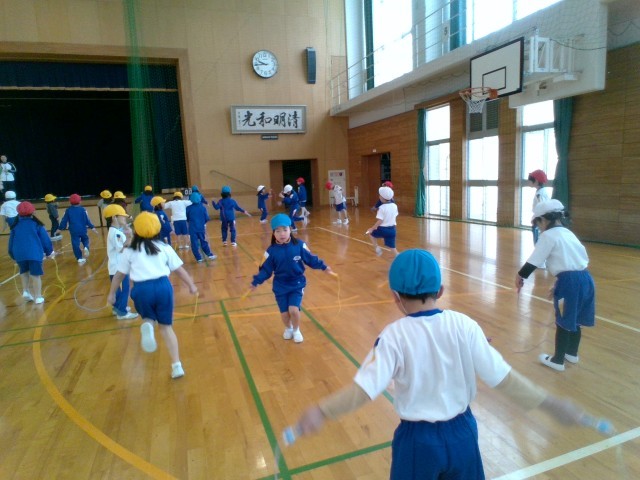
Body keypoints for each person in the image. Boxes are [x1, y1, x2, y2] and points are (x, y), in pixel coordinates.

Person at [292, 249, 598, 479]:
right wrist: (551, 405)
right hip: (464, 435)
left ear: (395, 297)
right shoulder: (465, 325)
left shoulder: (392, 336)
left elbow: (364, 390)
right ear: (440, 291)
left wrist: (321, 411)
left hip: (418, 443)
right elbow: (505, 379)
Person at [107, 212, 198, 379]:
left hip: (141, 289)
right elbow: (179, 270)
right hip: (163, 287)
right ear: (157, 229)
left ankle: (148, 324)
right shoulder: (165, 248)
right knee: (166, 327)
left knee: (148, 317)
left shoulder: (130, 251)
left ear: (136, 230)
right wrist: (191, 285)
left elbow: (119, 275)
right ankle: (177, 365)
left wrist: (112, 293)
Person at [515, 199, 595, 372]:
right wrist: (559, 283)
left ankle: (558, 360)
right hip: (586, 279)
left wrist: (520, 276)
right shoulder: (568, 233)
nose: (538, 227)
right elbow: (572, 263)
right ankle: (572, 354)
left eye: (538, 223)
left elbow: (535, 261)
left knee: (564, 321)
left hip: (569, 282)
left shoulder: (548, 236)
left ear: (544, 220)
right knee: (576, 319)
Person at [250, 214, 332, 343]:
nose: (282, 234)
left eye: (285, 230)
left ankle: (296, 330)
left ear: (290, 229)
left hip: (297, 283)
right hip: (280, 285)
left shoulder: (299, 245)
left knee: (293, 310)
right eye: (278, 231)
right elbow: (265, 270)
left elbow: (311, 259)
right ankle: (288, 328)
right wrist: (256, 281)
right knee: (284, 313)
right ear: (273, 233)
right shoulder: (270, 251)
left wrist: (323, 266)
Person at [9, 201, 54, 305]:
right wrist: (49, 252)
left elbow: (11, 243)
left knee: (24, 272)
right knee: (35, 275)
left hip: (19, 254)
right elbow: (45, 240)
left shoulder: (15, 225)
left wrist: (12, 255)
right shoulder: (37, 224)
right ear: (33, 211)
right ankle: (38, 297)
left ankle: (26, 291)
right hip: (34, 254)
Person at [103, 204, 138, 320]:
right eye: (122, 216)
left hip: (115, 267)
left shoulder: (115, 231)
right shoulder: (115, 233)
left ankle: (117, 308)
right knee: (125, 289)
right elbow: (121, 248)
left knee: (118, 290)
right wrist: (129, 238)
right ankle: (122, 312)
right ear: (114, 217)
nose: (124, 218)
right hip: (119, 268)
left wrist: (126, 229)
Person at [59, 194, 98, 265]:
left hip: (73, 230)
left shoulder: (68, 210)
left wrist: (60, 228)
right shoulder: (83, 210)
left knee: (75, 244)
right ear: (80, 201)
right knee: (85, 239)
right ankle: (86, 247)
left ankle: (79, 258)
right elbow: (87, 220)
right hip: (83, 229)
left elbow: (64, 220)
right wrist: (92, 227)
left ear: (70, 202)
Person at [365, 186, 399, 257]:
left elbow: (380, 221)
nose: (379, 196)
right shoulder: (395, 206)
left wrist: (372, 228)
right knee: (393, 248)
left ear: (382, 198)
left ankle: (377, 248)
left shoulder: (381, 208)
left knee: (370, 233)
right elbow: (395, 215)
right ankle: (400, 258)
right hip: (392, 230)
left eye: (380, 195)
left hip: (383, 229)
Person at [186, 192, 217, 263]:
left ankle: (198, 258)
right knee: (203, 241)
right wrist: (202, 222)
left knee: (194, 243)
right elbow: (207, 218)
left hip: (192, 229)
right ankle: (209, 254)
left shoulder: (188, 208)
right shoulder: (203, 207)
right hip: (201, 228)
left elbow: (187, 218)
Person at [527, 169, 550, 244]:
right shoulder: (541, 192)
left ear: (536, 181)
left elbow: (543, 209)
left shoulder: (540, 194)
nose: (528, 182)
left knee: (538, 243)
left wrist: (538, 220)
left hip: (539, 221)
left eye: (530, 180)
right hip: (539, 220)